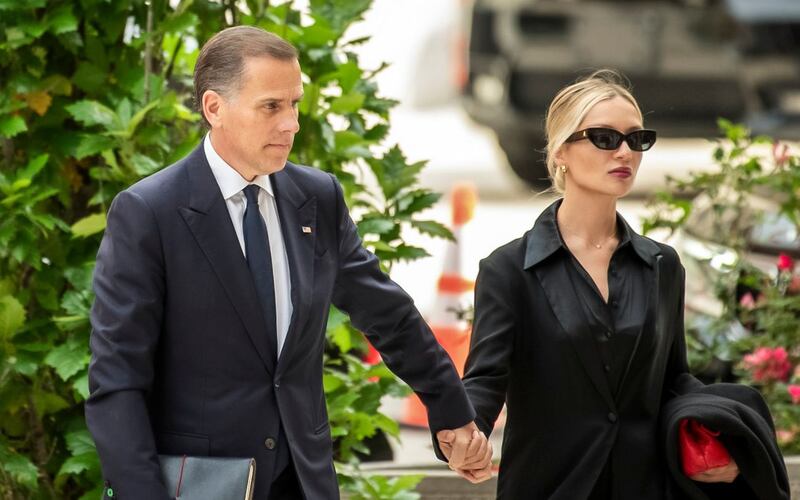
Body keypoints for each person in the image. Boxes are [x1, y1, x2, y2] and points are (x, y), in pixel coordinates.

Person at [85, 26, 491, 500]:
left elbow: (389, 316)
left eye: (295, 104)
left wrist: (452, 413)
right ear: (214, 108)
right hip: (200, 485)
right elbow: (117, 381)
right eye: (272, 106)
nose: (291, 123)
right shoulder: (150, 212)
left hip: (304, 481)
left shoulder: (315, 198)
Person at [444, 70, 740, 498]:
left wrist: (728, 435)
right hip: (549, 485)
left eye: (636, 139)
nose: (624, 153)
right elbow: (486, 380)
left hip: (645, 486)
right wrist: (462, 435)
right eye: (604, 138)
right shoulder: (509, 269)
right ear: (562, 150)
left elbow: (674, 380)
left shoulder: (661, 265)